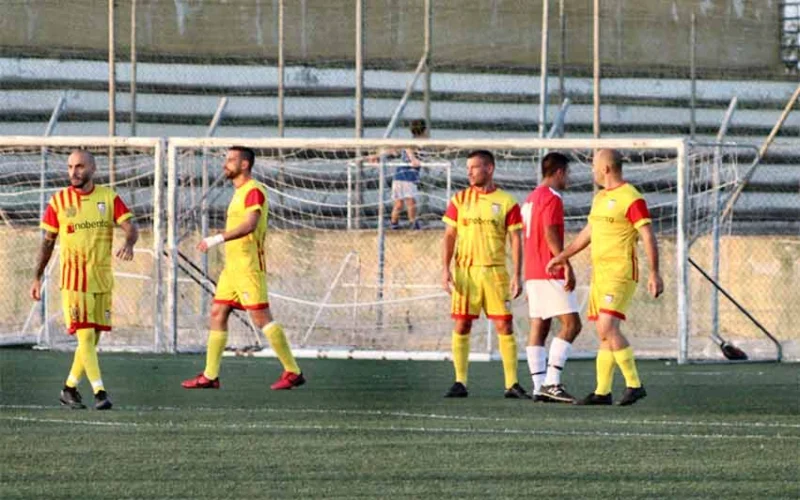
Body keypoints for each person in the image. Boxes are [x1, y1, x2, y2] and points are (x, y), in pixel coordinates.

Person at [182, 146, 305, 391]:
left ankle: (293, 371)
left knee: (261, 318)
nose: (225, 164)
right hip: (232, 270)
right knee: (218, 313)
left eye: (230, 160)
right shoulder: (238, 193)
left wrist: (216, 239)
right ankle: (210, 375)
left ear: (245, 164)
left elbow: (250, 224)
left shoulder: (253, 191)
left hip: (249, 269)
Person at [546, 148, 663, 406]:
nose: (592, 170)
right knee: (603, 332)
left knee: (608, 327)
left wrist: (654, 272)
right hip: (600, 274)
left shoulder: (631, 197)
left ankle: (634, 384)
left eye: (594, 166)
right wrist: (563, 255)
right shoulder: (600, 198)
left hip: (620, 273)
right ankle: (602, 391)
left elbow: (647, 235)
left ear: (606, 169)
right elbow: (588, 232)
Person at [30, 149, 139, 410]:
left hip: (101, 279)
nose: (73, 172)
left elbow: (131, 226)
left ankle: (69, 388)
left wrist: (129, 243)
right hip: (74, 281)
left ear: (93, 168)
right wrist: (37, 277)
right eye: (70, 167)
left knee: (94, 338)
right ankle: (100, 392)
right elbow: (47, 242)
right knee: (86, 336)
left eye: (79, 166)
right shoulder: (58, 201)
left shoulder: (108, 197)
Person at [441, 150, 529, 399]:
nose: (469, 172)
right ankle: (460, 382)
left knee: (504, 324)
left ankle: (511, 383)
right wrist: (444, 269)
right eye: (468, 167)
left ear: (489, 169)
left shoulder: (507, 202)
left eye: (475, 167)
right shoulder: (459, 200)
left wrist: (517, 274)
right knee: (462, 323)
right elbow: (449, 236)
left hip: (495, 273)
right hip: (466, 273)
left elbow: (516, 239)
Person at [521, 152, 582, 403]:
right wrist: (564, 262)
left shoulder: (531, 198)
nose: (568, 178)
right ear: (559, 172)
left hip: (532, 270)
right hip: (549, 269)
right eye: (567, 173)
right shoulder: (552, 197)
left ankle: (538, 386)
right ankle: (552, 382)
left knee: (540, 324)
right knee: (572, 324)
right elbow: (549, 232)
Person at [390, 119, 428, 230]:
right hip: (407, 176)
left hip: (399, 176)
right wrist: (413, 159)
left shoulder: (420, 145)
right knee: (410, 201)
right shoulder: (415, 142)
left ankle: (394, 224)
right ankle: (413, 224)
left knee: (399, 204)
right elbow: (407, 147)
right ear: (424, 131)